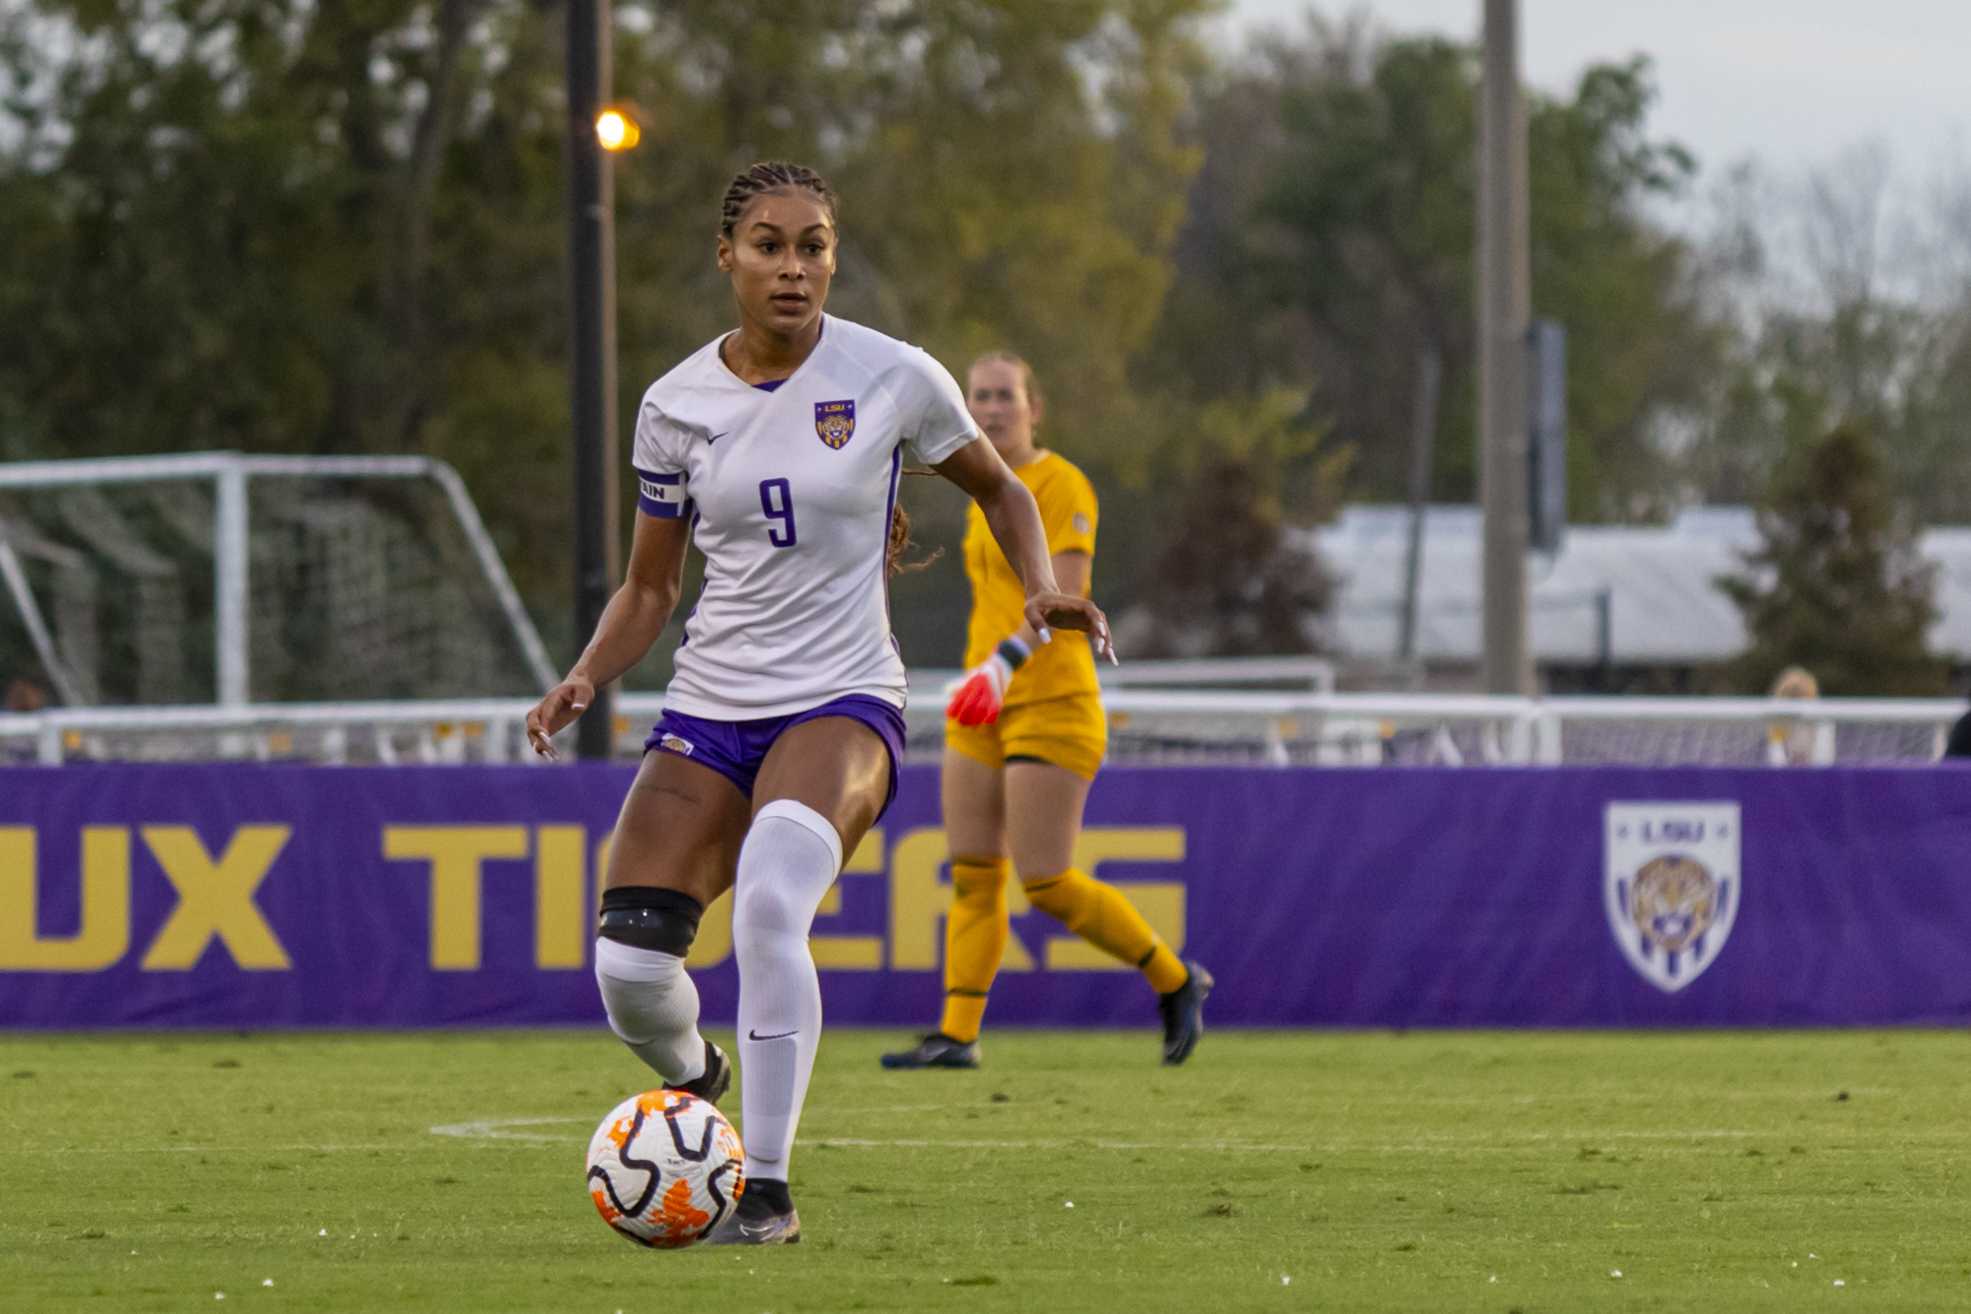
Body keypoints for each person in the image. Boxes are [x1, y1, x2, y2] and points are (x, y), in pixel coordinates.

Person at [524, 162, 1113, 1247]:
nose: (792, 266)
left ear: (834, 257)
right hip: (710, 707)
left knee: (767, 905)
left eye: (813, 245)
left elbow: (1003, 488)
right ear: (728, 257)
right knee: (629, 971)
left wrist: (1041, 589)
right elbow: (652, 586)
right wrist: (588, 673)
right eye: (768, 244)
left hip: (842, 701)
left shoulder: (892, 374)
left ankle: (768, 1190)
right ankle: (698, 1075)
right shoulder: (673, 405)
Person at [880, 353, 1210, 1073]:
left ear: (1036, 408)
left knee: (1046, 880)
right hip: (983, 701)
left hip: (1049, 698)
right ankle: (957, 1035)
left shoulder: (1062, 484)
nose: (991, 409)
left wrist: (1002, 668)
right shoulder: (981, 486)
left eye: (1004, 397)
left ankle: (1174, 977)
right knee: (971, 871)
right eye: (979, 397)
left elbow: (1064, 601)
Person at [1764, 665, 1822, 766]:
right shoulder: (1778, 717)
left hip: (1812, 765)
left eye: (1801, 695)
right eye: (1791, 694)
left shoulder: (1818, 716)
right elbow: (1776, 746)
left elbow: (1822, 748)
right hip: (1786, 766)